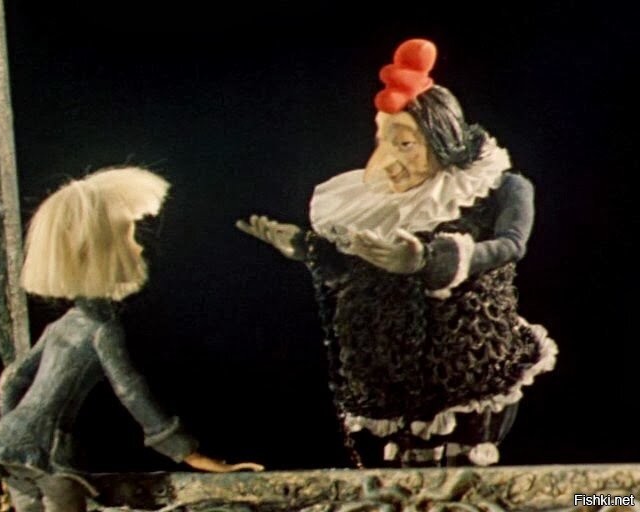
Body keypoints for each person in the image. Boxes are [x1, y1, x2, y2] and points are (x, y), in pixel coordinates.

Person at [237, 39, 556, 468]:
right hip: (396, 366)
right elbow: (352, 272)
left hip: (469, 357)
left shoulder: (500, 187)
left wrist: (428, 261)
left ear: (440, 139)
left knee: (466, 472)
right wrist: (304, 247)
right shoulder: (380, 206)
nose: (388, 160)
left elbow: (510, 245)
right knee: (408, 474)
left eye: (404, 144)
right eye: (383, 140)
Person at [0, 167, 263, 512]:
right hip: (47, 453)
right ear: (100, 251)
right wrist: (191, 454)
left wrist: (10, 429)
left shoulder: (62, 325)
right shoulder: (101, 331)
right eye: (129, 236)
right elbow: (131, 392)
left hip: (7, 448)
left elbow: (12, 379)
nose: (139, 247)